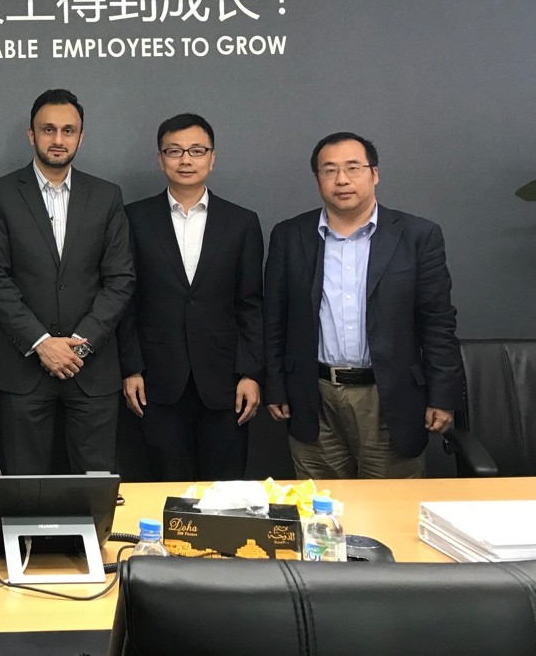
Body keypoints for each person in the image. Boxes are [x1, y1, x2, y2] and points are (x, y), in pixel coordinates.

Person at [264, 131, 464, 478]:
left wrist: (443, 395)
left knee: (391, 505)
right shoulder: (290, 235)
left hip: (389, 397)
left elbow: (438, 322)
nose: (341, 179)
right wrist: (275, 385)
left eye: (353, 167)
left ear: (374, 174)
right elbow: (274, 319)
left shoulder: (417, 235)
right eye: (329, 170)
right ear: (318, 179)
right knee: (321, 507)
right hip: (314, 397)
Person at [0, 88, 135, 475]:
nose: (58, 139)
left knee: (95, 488)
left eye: (68, 130)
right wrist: (42, 343)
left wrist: (80, 345)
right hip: (23, 369)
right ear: (31, 134)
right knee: (23, 487)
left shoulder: (106, 196)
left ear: (81, 136)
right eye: (48, 129)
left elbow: (120, 280)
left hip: (91, 369)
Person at [117, 114, 263, 482]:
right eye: (175, 151)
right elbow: (125, 300)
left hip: (225, 382)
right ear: (160, 158)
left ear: (212, 158)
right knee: (163, 488)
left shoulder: (241, 222)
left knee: (224, 491)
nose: (186, 160)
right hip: (156, 381)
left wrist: (250, 373)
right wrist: (131, 368)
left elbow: (250, 304)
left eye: (197, 151)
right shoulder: (133, 218)